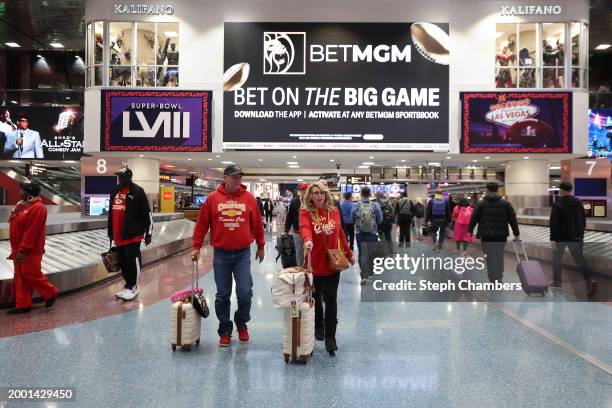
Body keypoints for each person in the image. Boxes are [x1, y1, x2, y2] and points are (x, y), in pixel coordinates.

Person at [192, 164, 265, 347]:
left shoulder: (248, 198)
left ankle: (241, 322)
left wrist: (261, 246)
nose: (237, 180)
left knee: (245, 292)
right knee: (222, 295)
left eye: (239, 177)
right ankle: (225, 329)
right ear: (225, 178)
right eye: (234, 177)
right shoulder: (213, 198)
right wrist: (196, 246)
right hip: (221, 255)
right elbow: (202, 224)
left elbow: (256, 224)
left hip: (242, 254)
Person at [300, 182, 354, 353]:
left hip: (332, 263)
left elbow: (341, 233)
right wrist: (307, 239)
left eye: (322, 193)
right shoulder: (306, 212)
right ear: (310, 195)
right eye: (316, 193)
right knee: (315, 301)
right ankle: (319, 327)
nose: (319, 196)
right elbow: (305, 228)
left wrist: (349, 252)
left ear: (326, 195)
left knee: (331, 300)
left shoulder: (334, 211)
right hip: (314, 265)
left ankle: (331, 337)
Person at [5, 182, 59, 314]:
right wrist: (17, 249)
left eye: (22, 190)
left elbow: (32, 231)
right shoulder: (21, 205)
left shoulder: (38, 208)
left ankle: (50, 292)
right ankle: (23, 305)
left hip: (30, 250)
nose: (19, 192)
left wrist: (23, 250)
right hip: (18, 248)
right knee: (20, 276)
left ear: (29, 193)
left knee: (30, 273)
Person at [108, 168, 153, 301]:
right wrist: (110, 232)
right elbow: (111, 214)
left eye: (122, 177)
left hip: (133, 234)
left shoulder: (137, 191)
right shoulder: (115, 191)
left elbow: (147, 213)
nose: (120, 180)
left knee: (132, 260)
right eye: (119, 177)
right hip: (118, 235)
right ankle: (128, 286)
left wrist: (149, 233)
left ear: (129, 177)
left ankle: (134, 286)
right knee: (122, 261)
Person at [549, 182, 598, 297]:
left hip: (561, 237)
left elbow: (554, 222)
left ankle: (557, 282)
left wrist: (553, 238)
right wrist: (580, 234)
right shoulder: (578, 202)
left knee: (557, 258)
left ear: (561, 190)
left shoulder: (558, 203)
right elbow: (583, 219)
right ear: (570, 190)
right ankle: (590, 280)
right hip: (576, 236)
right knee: (580, 260)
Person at [468, 182, 520, 283]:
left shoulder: (481, 203)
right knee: (499, 256)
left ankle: (492, 279)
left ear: (487, 190)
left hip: (486, 236)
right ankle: (499, 278)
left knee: (489, 257)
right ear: (497, 190)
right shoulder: (505, 203)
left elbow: (474, 218)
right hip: (501, 235)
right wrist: (516, 234)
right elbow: (512, 219)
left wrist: (470, 231)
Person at [350, 186, 383, 285]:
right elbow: (380, 219)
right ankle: (370, 272)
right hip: (372, 232)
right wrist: (374, 224)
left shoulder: (356, 205)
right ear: (370, 194)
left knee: (361, 252)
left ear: (361, 194)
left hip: (360, 232)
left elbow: (351, 218)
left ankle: (363, 275)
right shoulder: (375, 205)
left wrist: (356, 225)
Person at [285, 182, 309, 266]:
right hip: (297, 231)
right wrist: (286, 229)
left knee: (310, 252)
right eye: (303, 190)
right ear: (300, 191)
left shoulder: (311, 202)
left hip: (309, 232)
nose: (305, 192)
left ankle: (310, 270)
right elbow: (290, 216)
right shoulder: (294, 201)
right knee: (299, 252)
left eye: (306, 190)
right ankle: (300, 269)